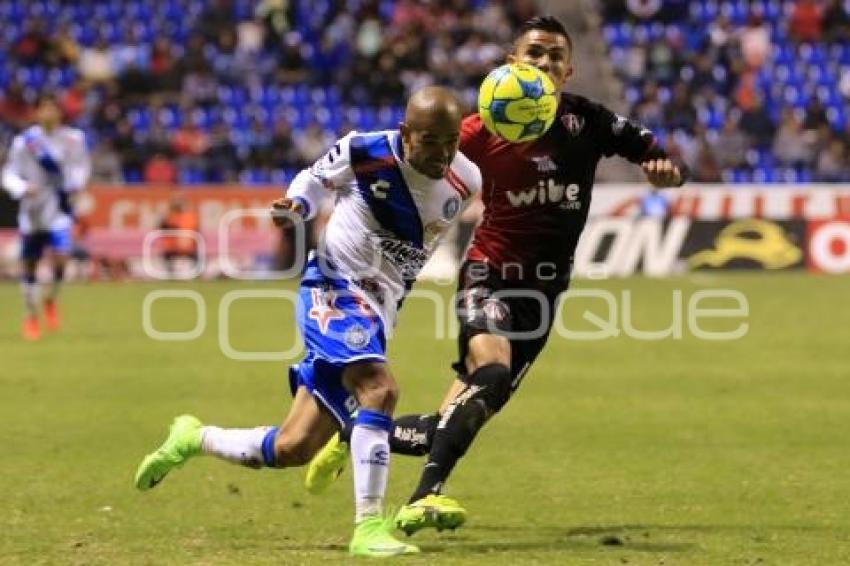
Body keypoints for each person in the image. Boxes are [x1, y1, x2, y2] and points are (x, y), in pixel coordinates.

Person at [306, 15, 688, 535]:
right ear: (513, 63)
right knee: (490, 373)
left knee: (460, 415)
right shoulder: (478, 131)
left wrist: (665, 171)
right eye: (534, 53)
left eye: (555, 55)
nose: (545, 62)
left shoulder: (587, 122)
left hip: (546, 290)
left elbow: (655, 153)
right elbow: (413, 158)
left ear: (569, 71)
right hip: (488, 271)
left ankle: (356, 432)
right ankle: (425, 499)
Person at [132, 86, 481, 558]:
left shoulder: (467, 180)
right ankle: (368, 527)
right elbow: (315, 180)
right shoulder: (365, 150)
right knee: (379, 390)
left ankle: (193, 438)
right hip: (332, 288)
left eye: (451, 142)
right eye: (430, 141)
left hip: (380, 310)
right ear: (406, 133)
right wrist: (298, 206)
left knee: (294, 446)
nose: (442, 154)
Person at [2, 93, 90, 340]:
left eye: (53, 109)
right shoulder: (24, 142)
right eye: (44, 109)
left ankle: (51, 299)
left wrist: (76, 184)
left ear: (60, 113)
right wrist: (21, 188)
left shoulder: (74, 139)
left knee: (62, 258)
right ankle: (30, 316)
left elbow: (81, 167)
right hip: (32, 212)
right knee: (29, 265)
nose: (49, 114)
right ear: (37, 113)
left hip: (58, 209)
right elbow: (8, 174)